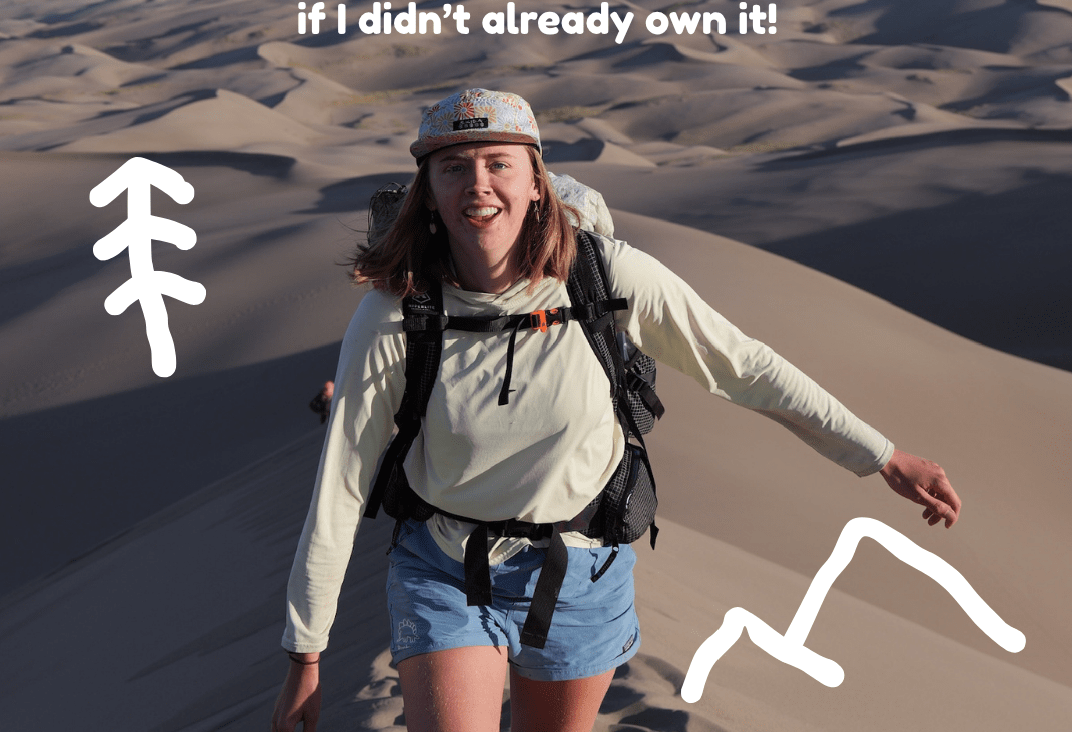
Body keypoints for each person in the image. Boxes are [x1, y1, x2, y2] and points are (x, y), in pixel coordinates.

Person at [271, 88, 961, 732]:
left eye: (499, 163)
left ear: (535, 182)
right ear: (428, 191)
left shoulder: (605, 276)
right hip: (446, 567)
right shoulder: (396, 312)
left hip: (582, 569)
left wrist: (882, 456)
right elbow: (342, 480)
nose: (478, 183)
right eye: (454, 167)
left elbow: (743, 365)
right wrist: (306, 652)